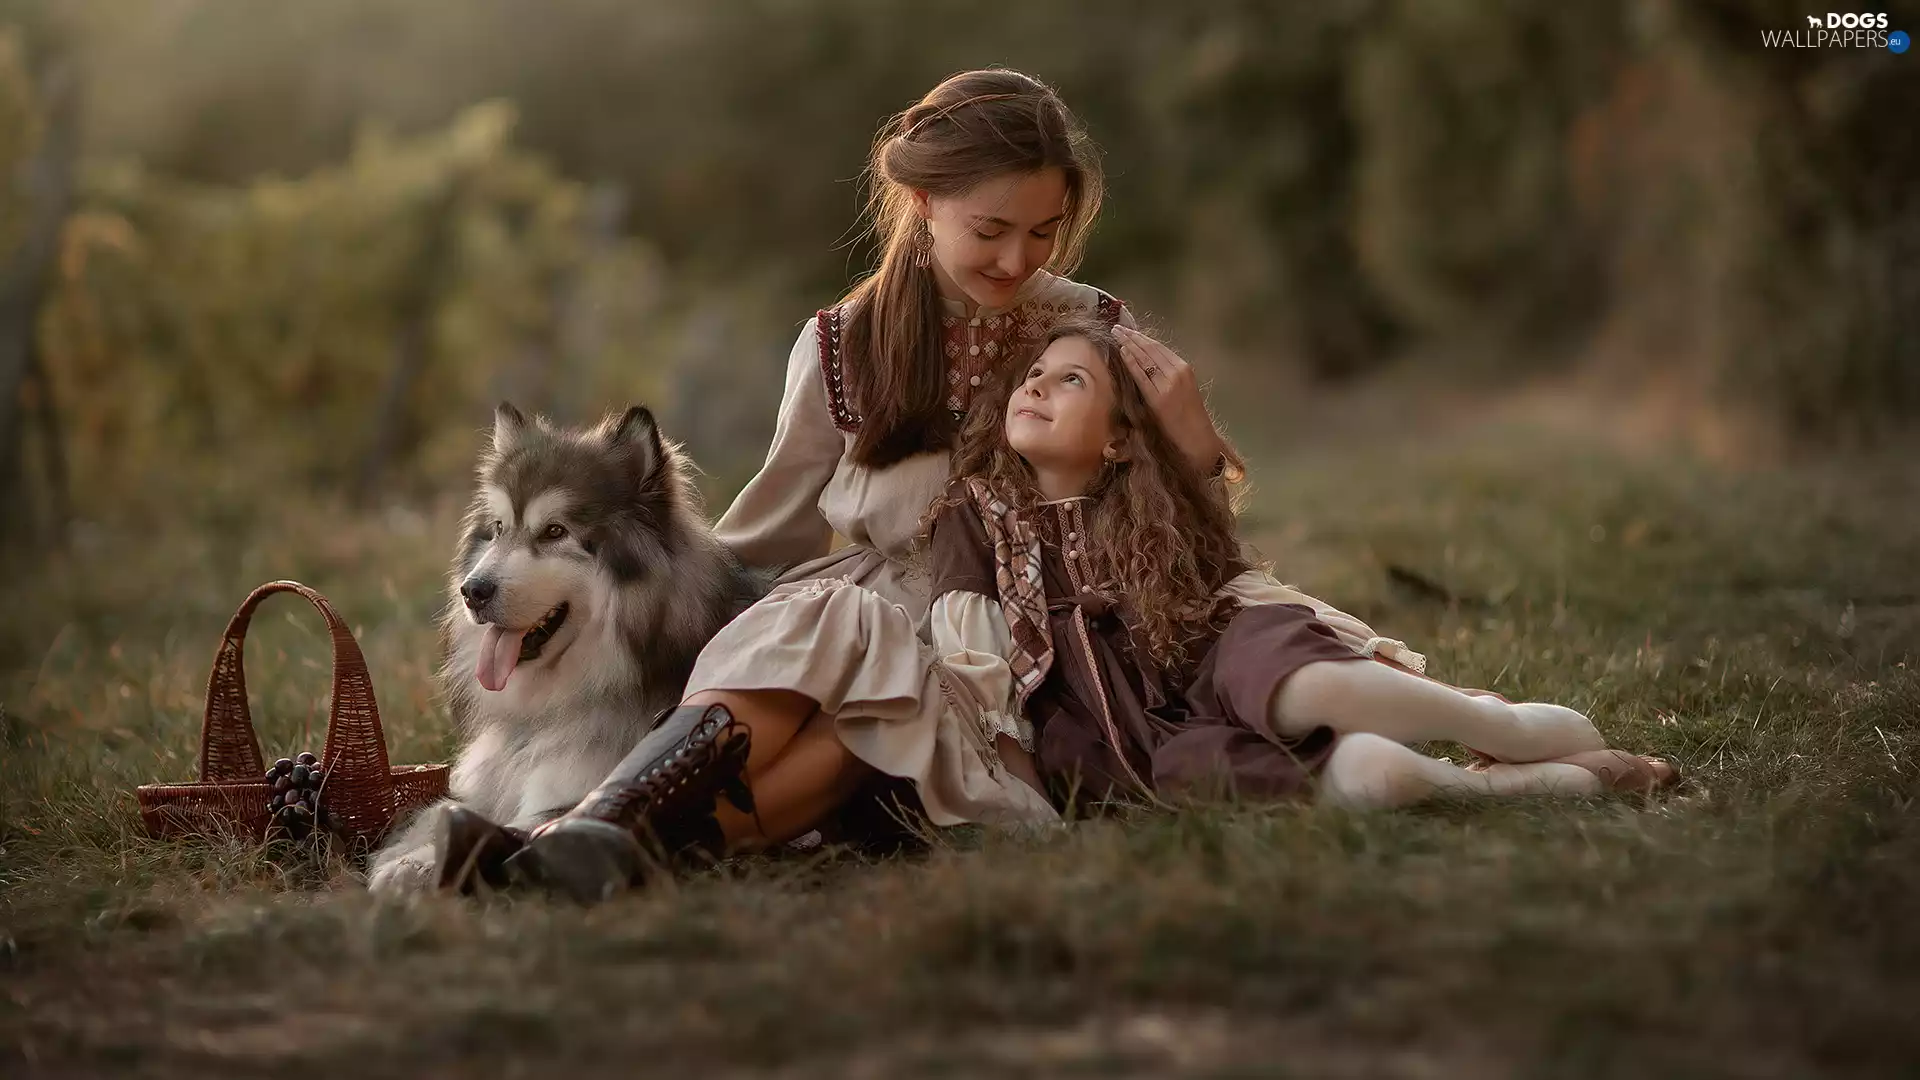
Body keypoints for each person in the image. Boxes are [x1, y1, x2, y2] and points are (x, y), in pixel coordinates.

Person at [440, 69, 1492, 900]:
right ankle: (591, 834)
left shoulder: (1091, 326)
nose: (1015, 258)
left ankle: (610, 845)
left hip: (1010, 633)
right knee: (833, 629)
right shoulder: (843, 346)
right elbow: (767, 528)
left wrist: (1195, 440)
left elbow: (1172, 521)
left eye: (1042, 233)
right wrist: (677, 635)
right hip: (860, 604)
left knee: (885, 667)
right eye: (990, 230)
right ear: (921, 202)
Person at [916, 313, 1681, 815]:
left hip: (1213, 656)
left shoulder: (1143, 506)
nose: (1039, 385)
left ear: (1119, 440)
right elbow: (976, 664)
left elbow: (1216, 573)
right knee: (1364, 776)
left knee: (1298, 678)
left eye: (1070, 379)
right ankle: (1536, 783)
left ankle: (1494, 725)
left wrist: (1195, 439)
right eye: (1033, 376)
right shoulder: (973, 516)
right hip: (1143, 745)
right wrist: (1024, 804)